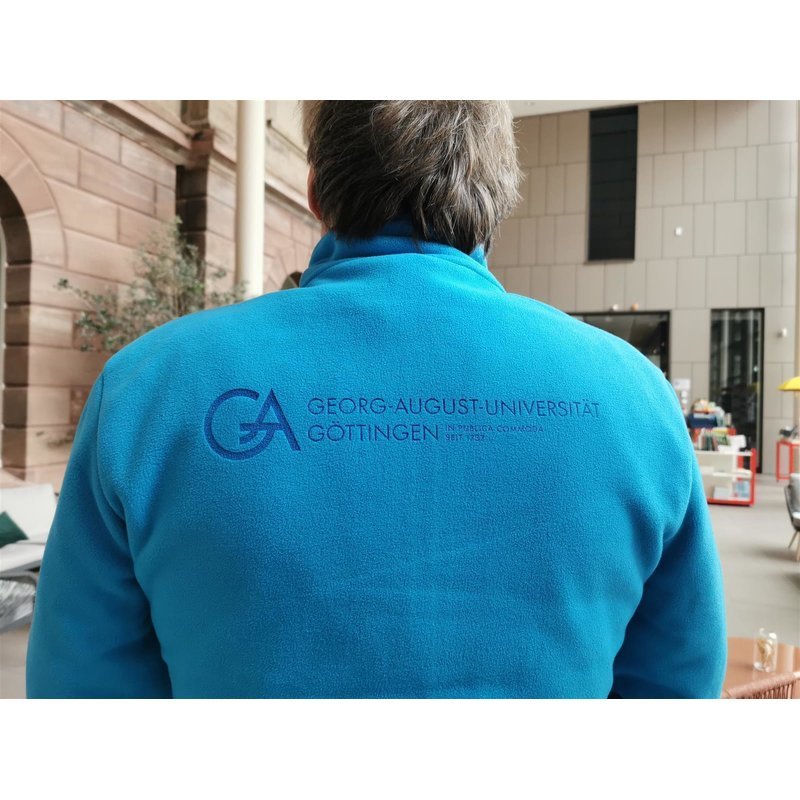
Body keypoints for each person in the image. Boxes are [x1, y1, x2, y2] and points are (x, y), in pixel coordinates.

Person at [26, 101, 727, 698]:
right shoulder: (634, 399)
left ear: (315, 192)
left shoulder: (149, 388)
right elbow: (675, 686)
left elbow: (81, 689)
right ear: (497, 201)